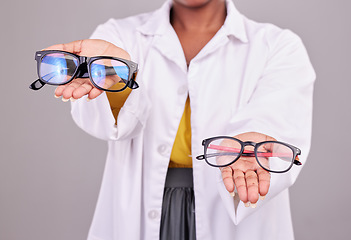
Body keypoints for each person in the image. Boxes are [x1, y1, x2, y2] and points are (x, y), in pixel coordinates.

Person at [44, 0, 315, 239]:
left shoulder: (277, 45)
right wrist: (117, 81)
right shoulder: (117, 38)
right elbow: (107, 123)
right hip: (142, 207)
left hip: (229, 206)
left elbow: (279, 114)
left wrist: (252, 139)